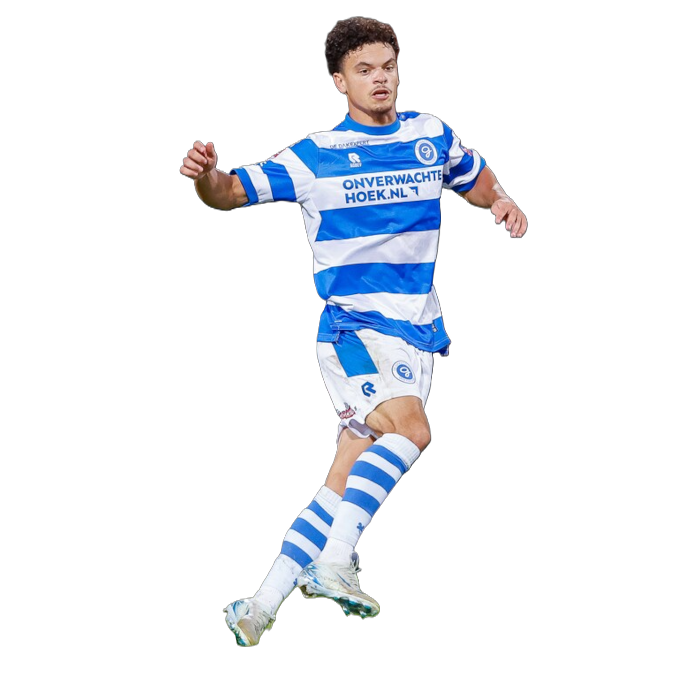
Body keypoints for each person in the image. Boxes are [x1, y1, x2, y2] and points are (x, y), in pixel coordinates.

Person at [180, 16, 527, 647]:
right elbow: (229, 192)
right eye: (364, 70)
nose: (380, 79)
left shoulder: (429, 135)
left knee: (344, 479)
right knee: (411, 431)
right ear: (340, 81)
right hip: (356, 327)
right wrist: (207, 174)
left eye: (387, 67)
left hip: (415, 330)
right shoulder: (317, 155)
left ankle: (259, 604)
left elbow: (473, 176)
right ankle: (336, 563)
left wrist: (500, 197)